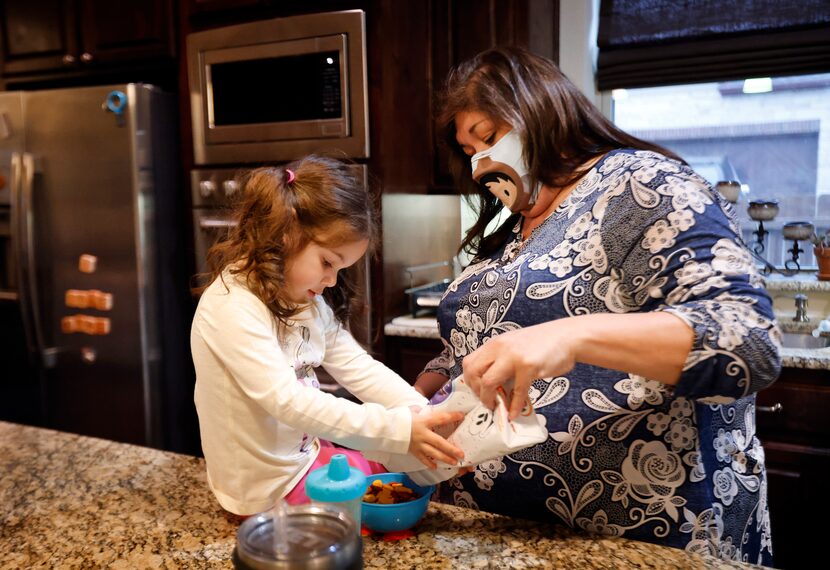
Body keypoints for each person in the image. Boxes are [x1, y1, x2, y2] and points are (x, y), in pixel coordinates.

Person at [413, 46, 781, 566]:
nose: (480, 163)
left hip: (640, 537)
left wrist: (571, 334)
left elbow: (747, 340)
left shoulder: (639, 187)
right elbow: (485, 341)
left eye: (489, 137)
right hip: (507, 532)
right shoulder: (515, 228)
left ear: (541, 111)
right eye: (467, 149)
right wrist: (418, 399)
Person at [191, 156, 464, 516]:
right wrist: (400, 428)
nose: (332, 281)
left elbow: (357, 366)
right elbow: (288, 402)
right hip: (264, 489)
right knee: (396, 470)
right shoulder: (231, 306)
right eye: (327, 262)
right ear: (286, 234)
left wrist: (429, 419)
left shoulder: (302, 298)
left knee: (413, 462)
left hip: (304, 462)